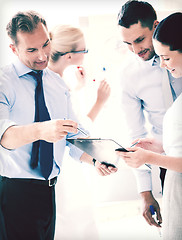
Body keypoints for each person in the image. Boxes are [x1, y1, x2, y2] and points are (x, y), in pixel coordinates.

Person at [0, 11, 117, 240]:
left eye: (46, 45)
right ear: (14, 49)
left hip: (48, 191)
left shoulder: (56, 84)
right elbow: (4, 136)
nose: (43, 55)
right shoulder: (4, 82)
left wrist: (95, 158)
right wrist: (43, 130)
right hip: (14, 192)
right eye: (32, 50)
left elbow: (72, 136)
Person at [117, 12, 182, 239]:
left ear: (154, 27)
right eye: (127, 44)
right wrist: (145, 191)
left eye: (139, 40)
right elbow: (136, 131)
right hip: (169, 164)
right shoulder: (129, 75)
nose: (135, 50)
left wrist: (149, 156)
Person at [48, 24, 111, 239]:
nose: (85, 55)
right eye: (83, 51)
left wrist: (77, 89)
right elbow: (77, 132)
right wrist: (100, 102)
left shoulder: (56, 81)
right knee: (76, 221)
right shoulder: (54, 85)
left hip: (67, 161)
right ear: (68, 56)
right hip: (63, 168)